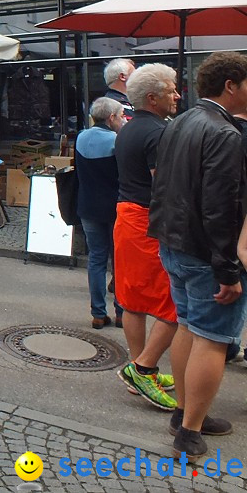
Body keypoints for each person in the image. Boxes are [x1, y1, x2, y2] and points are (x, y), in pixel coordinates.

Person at [150, 52, 247, 459]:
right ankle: (189, 430)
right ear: (231, 85)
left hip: (175, 243)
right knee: (213, 338)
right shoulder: (224, 133)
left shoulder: (182, 121)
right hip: (203, 252)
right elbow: (221, 206)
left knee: (189, 327)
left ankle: (186, 415)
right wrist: (227, 269)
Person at [113, 63, 180, 411]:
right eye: (172, 90)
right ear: (152, 98)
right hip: (148, 223)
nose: (178, 95)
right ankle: (144, 367)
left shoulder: (127, 128)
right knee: (175, 304)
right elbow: (164, 187)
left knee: (133, 300)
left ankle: (140, 369)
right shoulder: (159, 132)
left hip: (127, 218)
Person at [74, 96, 126, 329]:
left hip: (88, 206)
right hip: (115, 207)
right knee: (120, 261)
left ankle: (97, 312)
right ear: (112, 117)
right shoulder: (117, 140)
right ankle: (121, 313)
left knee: (96, 258)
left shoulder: (81, 137)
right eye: (122, 116)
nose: (124, 120)